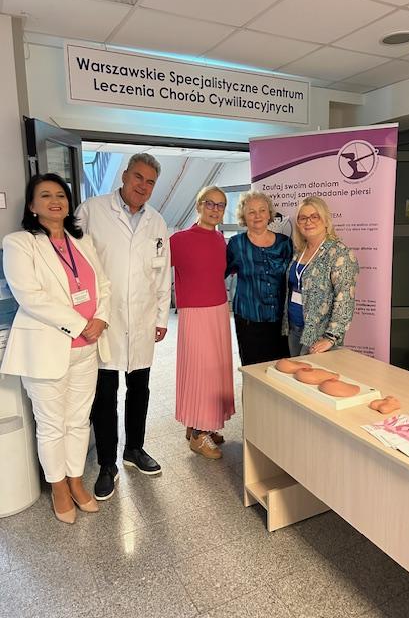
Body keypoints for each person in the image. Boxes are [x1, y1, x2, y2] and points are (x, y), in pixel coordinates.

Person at [1, 173, 111, 524]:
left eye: (61, 195)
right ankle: (59, 487)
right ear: (32, 206)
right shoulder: (20, 243)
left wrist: (102, 318)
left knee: (78, 421)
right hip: (46, 350)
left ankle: (76, 480)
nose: (55, 201)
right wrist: (80, 324)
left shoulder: (83, 241)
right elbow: (30, 296)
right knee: (51, 424)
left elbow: (103, 285)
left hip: (87, 349)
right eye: (45, 195)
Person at [76, 153, 170, 500]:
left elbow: (163, 273)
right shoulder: (92, 210)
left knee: (140, 389)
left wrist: (161, 318)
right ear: (125, 175)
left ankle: (134, 449)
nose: (143, 186)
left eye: (150, 182)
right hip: (104, 318)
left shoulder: (157, 221)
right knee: (105, 394)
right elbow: (72, 261)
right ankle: (107, 464)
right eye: (138, 177)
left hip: (142, 319)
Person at [170, 186, 235, 460]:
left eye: (221, 205)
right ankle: (199, 435)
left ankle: (200, 424)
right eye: (210, 203)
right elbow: (153, 272)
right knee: (201, 371)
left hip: (219, 311)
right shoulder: (179, 240)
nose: (215, 209)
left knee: (216, 371)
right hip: (195, 314)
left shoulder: (220, 239)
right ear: (199, 205)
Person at [284, 196, 359, 357]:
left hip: (319, 335)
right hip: (294, 329)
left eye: (315, 216)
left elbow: (345, 299)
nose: (308, 222)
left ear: (325, 221)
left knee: (310, 373)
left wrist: (330, 338)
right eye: (303, 218)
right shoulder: (299, 250)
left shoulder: (340, 254)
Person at [226, 190, 292, 365]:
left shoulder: (285, 243)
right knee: (253, 369)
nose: (257, 216)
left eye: (262, 210)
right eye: (251, 212)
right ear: (243, 216)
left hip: (280, 320)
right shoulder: (236, 244)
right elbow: (219, 273)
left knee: (281, 368)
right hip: (248, 319)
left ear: (269, 214)